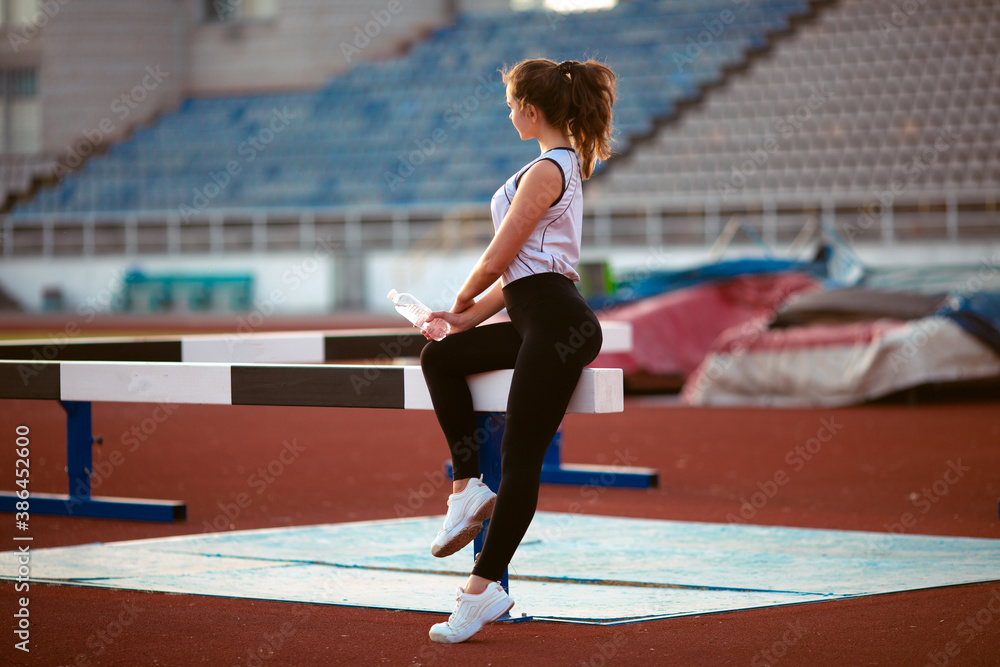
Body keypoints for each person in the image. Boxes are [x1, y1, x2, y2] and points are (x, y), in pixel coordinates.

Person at [419, 57, 616, 644]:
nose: (508, 114)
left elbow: (500, 258)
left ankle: (482, 593)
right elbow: (515, 282)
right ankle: (467, 486)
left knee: (524, 459)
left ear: (531, 110)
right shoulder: (546, 168)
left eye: (510, 105)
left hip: (558, 321)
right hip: (535, 315)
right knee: (442, 358)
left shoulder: (548, 171)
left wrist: (459, 294)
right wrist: (459, 320)